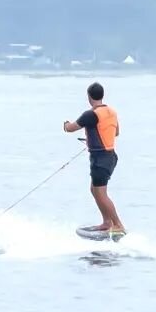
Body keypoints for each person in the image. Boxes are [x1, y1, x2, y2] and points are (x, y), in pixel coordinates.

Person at [63, 82, 126, 235]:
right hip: (110, 157)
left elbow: (70, 128)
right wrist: (94, 138)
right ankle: (106, 222)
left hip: (100, 159)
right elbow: (115, 132)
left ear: (89, 97)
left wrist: (65, 124)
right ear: (102, 95)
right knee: (95, 190)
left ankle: (118, 225)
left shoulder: (90, 115)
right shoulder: (111, 112)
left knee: (101, 193)